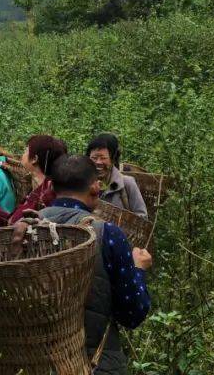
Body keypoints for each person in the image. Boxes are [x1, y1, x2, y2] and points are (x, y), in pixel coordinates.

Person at [28, 154, 152, 374]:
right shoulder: (107, 233)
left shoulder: (27, 227)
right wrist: (139, 269)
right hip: (96, 363)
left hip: (37, 362)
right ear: (95, 187)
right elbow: (133, 313)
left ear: (52, 186)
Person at [0, 134, 68, 226]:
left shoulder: (45, 195)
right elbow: (13, 221)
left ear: (34, 159)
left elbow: (14, 225)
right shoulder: (41, 189)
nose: (23, 154)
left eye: (26, 150)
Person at [86, 134, 148, 218]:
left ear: (113, 159)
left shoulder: (126, 183)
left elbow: (142, 218)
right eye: (94, 158)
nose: (98, 162)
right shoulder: (83, 184)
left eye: (103, 158)